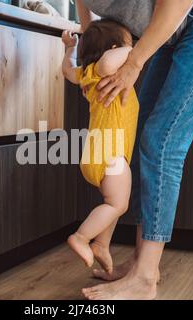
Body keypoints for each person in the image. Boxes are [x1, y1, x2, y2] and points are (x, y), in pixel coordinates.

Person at [74, 0, 193, 300]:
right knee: (143, 134)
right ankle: (142, 265)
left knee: (162, 141)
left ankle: (144, 279)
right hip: (169, 29)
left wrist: (133, 63)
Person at [61, 19, 139, 275]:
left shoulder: (86, 74)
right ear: (115, 49)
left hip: (97, 154)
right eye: (126, 46)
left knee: (112, 202)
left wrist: (69, 49)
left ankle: (101, 244)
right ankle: (82, 237)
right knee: (118, 205)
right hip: (111, 156)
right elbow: (108, 62)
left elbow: (67, 71)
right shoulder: (105, 70)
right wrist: (132, 51)